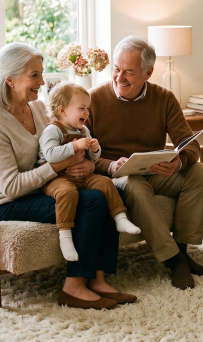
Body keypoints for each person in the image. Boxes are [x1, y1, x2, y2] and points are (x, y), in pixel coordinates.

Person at [0, 42, 133, 310]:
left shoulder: (37, 108)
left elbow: (62, 148)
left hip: (42, 188)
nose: (42, 81)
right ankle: (73, 286)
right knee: (93, 201)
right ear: (10, 80)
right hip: (1, 203)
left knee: (113, 191)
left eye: (41, 73)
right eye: (34, 75)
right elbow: (12, 187)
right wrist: (61, 166)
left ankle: (97, 278)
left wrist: (86, 166)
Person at [86, 35, 203, 290]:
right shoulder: (93, 100)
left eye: (129, 72)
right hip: (114, 175)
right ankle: (174, 260)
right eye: (117, 69)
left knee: (198, 173)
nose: (119, 78)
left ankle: (183, 250)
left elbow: (190, 145)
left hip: (154, 171)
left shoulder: (164, 98)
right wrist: (110, 165)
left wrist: (178, 163)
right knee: (135, 184)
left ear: (148, 73)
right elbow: (82, 156)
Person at [38, 82, 140, 262]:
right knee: (67, 193)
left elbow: (92, 158)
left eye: (88, 108)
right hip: (55, 178)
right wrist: (74, 146)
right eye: (82, 108)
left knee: (105, 182)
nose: (87, 112)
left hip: (82, 176)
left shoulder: (83, 130)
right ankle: (65, 236)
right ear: (62, 110)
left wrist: (94, 149)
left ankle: (120, 217)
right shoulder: (52, 130)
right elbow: (51, 155)